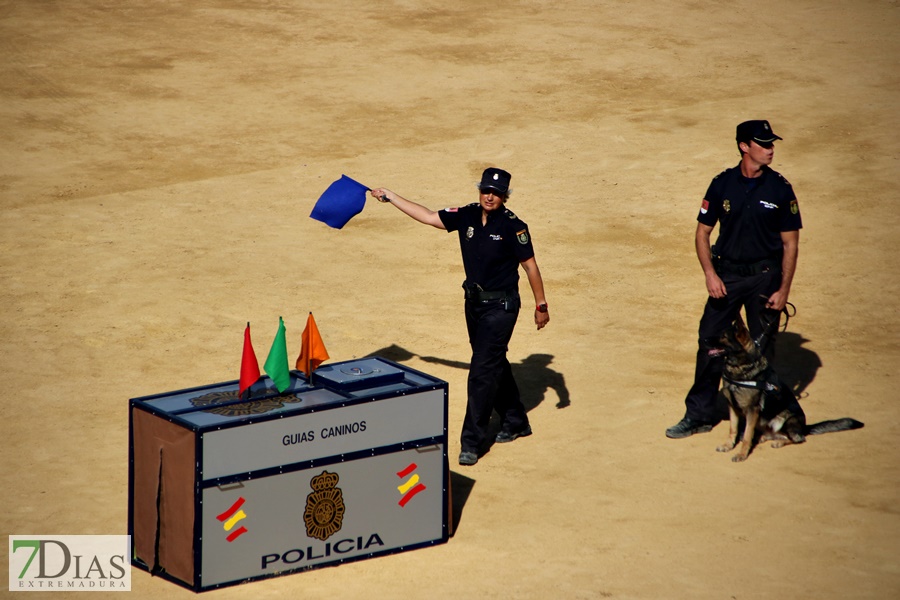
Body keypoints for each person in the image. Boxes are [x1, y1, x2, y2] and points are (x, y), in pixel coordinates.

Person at [370, 168, 549, 465]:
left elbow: (530, 266)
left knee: (481, 373)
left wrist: (541, 305)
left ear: (505, 196)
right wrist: (390, 196)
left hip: (501, 308)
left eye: (496, 193)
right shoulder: (465, 215)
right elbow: (428, 216)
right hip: (474, 304)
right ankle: (516, 420)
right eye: (485, 191)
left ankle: (472, 442)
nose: (489, 196)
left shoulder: (512, 226)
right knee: (491, 362)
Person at [666, 120, 802, 439]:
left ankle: (760, 418)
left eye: (772, 144)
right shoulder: (722, 184)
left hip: (765, 279)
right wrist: (710, 274)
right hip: (726, 275)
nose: (770, 149)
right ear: (744, 146)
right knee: (710, 342)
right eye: (763, 144)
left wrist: (784, 289)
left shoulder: (780, 189)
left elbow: (790, 243)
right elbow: (703, 233)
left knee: (760, 351)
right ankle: (699, 415)